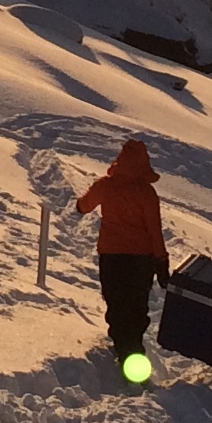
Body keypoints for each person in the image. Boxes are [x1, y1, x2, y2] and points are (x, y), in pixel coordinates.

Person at [74, 136, 173, 380]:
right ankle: (134, 352)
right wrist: (161, 261)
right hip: (142, 261)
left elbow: (84, 205)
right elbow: (154, 230)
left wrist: (80, 205)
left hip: (112, 256)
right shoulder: (147, 193)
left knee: (116, 303)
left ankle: (123, 350)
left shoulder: (106, 185)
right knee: (137, 306)